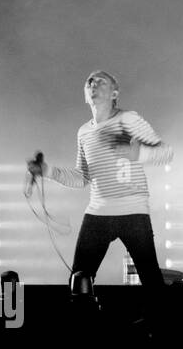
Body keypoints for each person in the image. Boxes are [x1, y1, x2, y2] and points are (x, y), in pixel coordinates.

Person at [27, 70, 173, 327]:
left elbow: (165, 153)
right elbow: (82, 177)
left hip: (133, 211)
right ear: (85, 96)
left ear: (115, 93)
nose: (93, 84)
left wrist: (136, 154)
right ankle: (81, 336)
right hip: (98, 213)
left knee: (151, 281)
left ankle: (166, 338)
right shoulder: (84, 132)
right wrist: (47, 171)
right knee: (79, 280)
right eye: (89, 82)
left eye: (101, 81)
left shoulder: (129, 119)